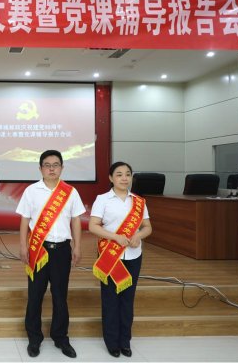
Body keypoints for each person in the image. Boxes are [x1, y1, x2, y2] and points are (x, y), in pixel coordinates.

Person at [16, 150, 85, 359]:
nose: (52, 169)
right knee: (35, 295)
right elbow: (25, 220)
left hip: (62, 250)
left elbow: (76, 220)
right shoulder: (31, 191)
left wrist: (77, 246)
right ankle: (34, 338)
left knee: (60, 296)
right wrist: (23, 246)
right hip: (38, 249)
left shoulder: (70, 192)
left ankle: (60, 337)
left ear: (62, 168)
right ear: (40, 168)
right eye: (47, 165)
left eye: (56, 165)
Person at [88, 161, 152, 358]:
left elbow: (147, 227)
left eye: (128, 174)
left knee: (127, 300)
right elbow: (93, 226)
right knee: (110, 300)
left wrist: (138, 236)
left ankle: (125, 341)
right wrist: (115, 237)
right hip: (110, 255)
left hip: (133, 255)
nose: (124, 178)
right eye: (119, 174)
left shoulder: (139, 202)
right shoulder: (103, 199)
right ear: (111, 178)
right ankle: (112, 342)